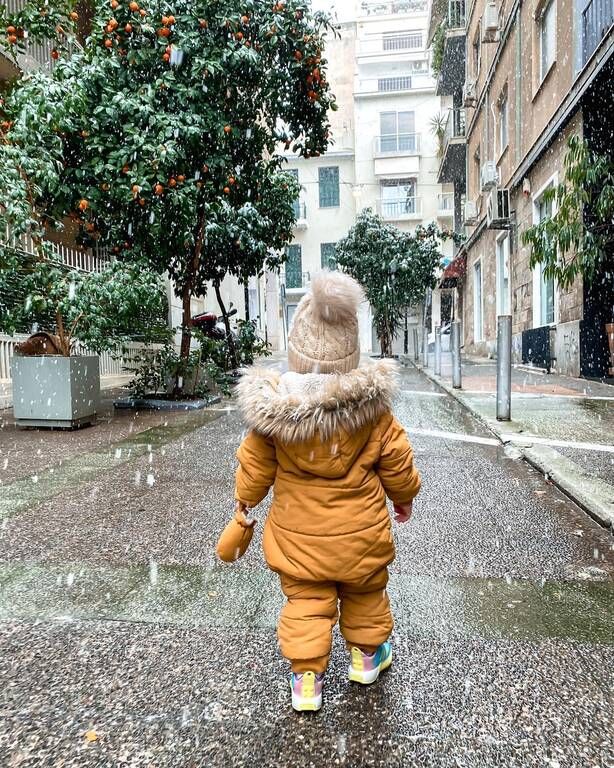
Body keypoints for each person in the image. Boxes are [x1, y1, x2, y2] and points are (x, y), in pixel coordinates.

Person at [216, 271, 421, 712]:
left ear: (296, 350)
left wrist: (244, 502)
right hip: (360, 537)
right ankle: (366, 658)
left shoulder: (275, 417)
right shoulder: (374, 414)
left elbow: (253, 467)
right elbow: (399, 463)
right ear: (352, 353)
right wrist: (403, 498)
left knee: (306, 602)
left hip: (298, 540)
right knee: (366, 593)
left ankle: (306, 680)